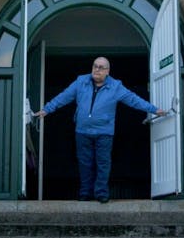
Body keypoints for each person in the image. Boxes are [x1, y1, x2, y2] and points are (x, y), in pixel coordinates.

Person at [34, 56, 167, 203]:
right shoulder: (81, 82)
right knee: (85, 163)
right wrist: (47, 109)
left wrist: (154, 110)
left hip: (104, 133)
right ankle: (85, 193)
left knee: (103, 163)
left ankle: (101, 193)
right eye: (95, 66)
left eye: (101, 67)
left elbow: (134, 100)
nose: (97, 70)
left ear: (107, 71)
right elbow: (63, 97)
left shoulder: (116, 87)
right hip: (82, 131)